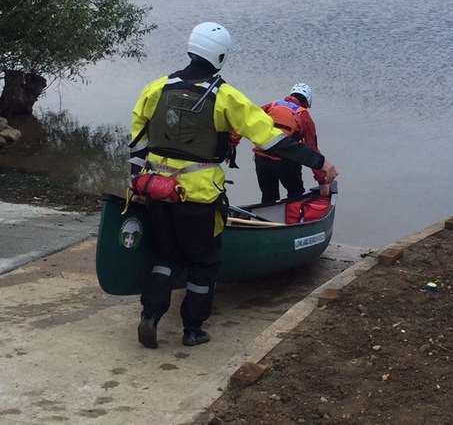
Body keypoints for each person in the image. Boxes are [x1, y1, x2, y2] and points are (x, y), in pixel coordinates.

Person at [129, 22, 338, 349]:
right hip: (198, 197)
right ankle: (192, 329)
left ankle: (151, 316)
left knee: (164, 256)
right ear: (221, 55)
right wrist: (318, 162)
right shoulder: (225, 96)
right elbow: (271, 141)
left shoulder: (155, 88)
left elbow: (137, 145)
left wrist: (136, 183)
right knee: (204, 262)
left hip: (155, 190)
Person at [252, 83, 329, 204]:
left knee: (268, 196)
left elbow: (248, 120)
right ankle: (294, 218)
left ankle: (266, 218)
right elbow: (312, 150)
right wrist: (322, 181)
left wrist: (232, 143)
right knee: (296, 193)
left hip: (261, 159)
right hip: (286, 162)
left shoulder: (271, 106)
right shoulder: (303, 115)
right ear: (307, 101)